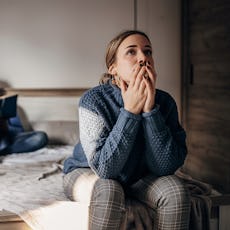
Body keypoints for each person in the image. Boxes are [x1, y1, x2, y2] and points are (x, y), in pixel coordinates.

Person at [63, 30, 191, 229]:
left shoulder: (164, 102)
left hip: (139, 176)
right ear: (113, 68)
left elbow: (165, 168)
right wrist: (130, 111)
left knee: (176, 191)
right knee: (109, 189)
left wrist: (150, 111)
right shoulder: (93, 101)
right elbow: (105, 169)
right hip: (88, 171)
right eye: (131, 52)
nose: (143, 58)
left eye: (148, 52)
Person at [0, 88, 48, 155]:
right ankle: (3, 148)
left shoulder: (8, 105)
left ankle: (4, 151)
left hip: (11, 138)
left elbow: (18, 130)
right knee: (3, 142)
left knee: (41, 137)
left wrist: (5, 124)